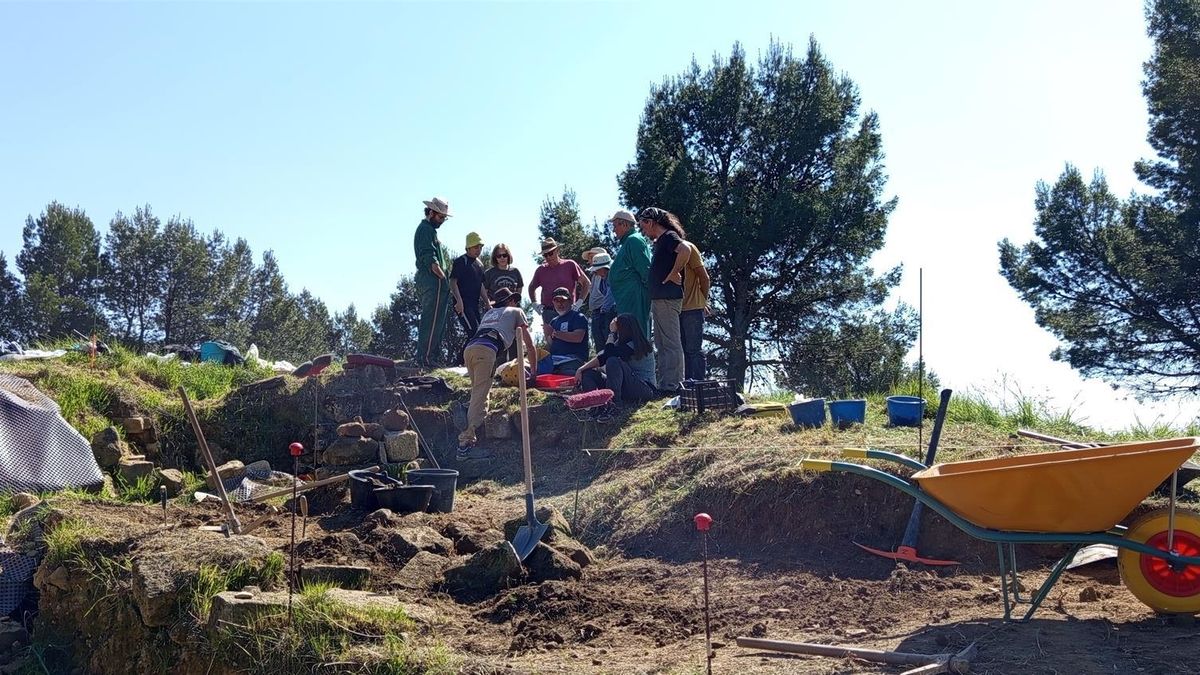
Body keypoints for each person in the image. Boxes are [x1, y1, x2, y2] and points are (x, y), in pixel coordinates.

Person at [456, 288, 537, 458]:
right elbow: (528, 345)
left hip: (470, 349)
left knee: (480, 391)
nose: (516, 303)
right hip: (486, 350)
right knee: (480, 394)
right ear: (510, 301)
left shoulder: (489, 314)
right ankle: (465, 444)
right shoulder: (516, 311)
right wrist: (535, 372)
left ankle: (466, 409)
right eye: (514, 300)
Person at [638, 206, 690, 393]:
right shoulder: (661, 241)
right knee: (661, 343)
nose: (643, 230)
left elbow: (685, 249)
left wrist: (674, 272)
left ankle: (675, 384)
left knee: (671, 342)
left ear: (651, 222)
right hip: (660, 298)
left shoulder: (669, 237)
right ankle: (666, 384)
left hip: (668, 297)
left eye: (643, 225)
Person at [575, 313, 656, 402]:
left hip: (644, 388)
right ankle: (594, 402)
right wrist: (581, 369)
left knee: (612, 361)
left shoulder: (637, 345)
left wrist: (612, 333)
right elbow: (602, 358)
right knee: (588, 373)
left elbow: (609, 355)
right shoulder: (620, 344)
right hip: (626, 386)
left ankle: (613, 402)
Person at [413, 196, 453, 368]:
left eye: (444, 217)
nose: (442, 220)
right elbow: (430, 258)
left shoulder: (430, 230)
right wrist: (443, 278)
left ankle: (431, 356)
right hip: (433, 280)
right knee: (432, 319)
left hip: (434, 281)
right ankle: (426, 358)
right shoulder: (426, 230)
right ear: (431, 212)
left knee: (438, 320)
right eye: (440, 217)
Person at [607, 209, 652, 341]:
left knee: (638, 337)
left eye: (615, 226)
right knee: (629, 338)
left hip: (635, 299)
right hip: (627, 301)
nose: (614, 230)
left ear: (625, 225)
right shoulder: (628, 243)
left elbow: (645, 270)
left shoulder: (634, 241)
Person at [528, 237, 590, 326]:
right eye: (545, 255)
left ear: (557, 251)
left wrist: (579, 303)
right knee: (551, 339)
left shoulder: (570, 265)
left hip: (569, 311)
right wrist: (534, 303)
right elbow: (531, 287)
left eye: (550, 253)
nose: (548, 257)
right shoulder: (541, 270)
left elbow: (586, 283)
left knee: (571, 338)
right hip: (549, 312)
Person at [483, 242, 524, 361]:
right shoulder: (489, 273)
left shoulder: (515, 271)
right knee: (499, 338)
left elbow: (520, 287)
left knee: (515, 338)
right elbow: (484, 291)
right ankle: (499, 370)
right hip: (497, 311)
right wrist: (488, 303)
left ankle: (515, 368)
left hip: (513, 310)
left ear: (508, 256)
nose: (502, 258)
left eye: (504, 255)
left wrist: (515, 300)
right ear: (495, 258)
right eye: (498, 256)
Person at [450, 232, 488, 351]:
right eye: (476, 247)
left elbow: (480, 284)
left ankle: (463, 361)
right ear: (468, 247)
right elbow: (452, 281)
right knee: (473, 331)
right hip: (463, 304)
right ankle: (462, 361)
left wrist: (487, 302)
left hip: (475, 304)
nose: (479, 250)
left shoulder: (479, 264)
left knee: (479, 332)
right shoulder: (461, 261)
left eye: (480, 247)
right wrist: (459, 301)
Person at [538, 286, 589, 374]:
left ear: (570, 301)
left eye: (563, 300)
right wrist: (547, 335)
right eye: (556, 301)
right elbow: (551, 344)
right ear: (553, 302)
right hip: (555, 360)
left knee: (566, 372)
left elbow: (578, 337)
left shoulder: (578, 317)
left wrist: (555, 333)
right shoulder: (554, 321)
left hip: (573, 359)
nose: (560, 304)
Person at [680, 240, 711, 381]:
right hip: (676, 309)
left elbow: (704, 278)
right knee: (682, 351)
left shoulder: (689, 248)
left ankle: (699, 384)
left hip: (692, 308)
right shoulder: (665, 250)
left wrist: (702, 301)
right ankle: (687, 385)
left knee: (694, 350)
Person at [585, 251, 617, 354]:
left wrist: (604, 310)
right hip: (608, 312)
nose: (595, 273)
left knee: (611, 343)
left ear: (604, 268)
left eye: (596, 270)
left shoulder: (612, 277)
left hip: (613, 313)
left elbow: (610, 297)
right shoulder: (604, 279)